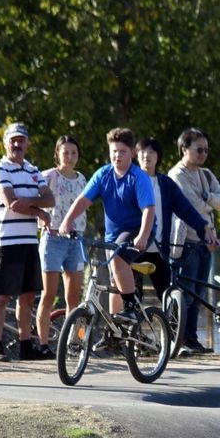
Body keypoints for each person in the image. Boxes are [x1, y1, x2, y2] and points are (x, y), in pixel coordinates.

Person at [58, 127, 154, 323]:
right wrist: (67, 221)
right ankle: (114, 332)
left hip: (138, 230)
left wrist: (143, 235)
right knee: (113, 280)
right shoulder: (103, 174)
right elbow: (83, 200)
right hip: (113, 236)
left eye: (122, 151)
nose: (117, 156)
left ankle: (130, 307)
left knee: (118, 260)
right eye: (113, 151)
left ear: (132, 154)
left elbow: (148, 210)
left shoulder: (138, 177)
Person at [0, 122, 54, 362]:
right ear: (5, 143)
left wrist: (31, 203)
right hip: (6, 242)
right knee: (3, 296)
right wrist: (39, 211)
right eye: (13, 140)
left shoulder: (33, 170)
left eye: (21, 140)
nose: (17, 144)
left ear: (27, 144)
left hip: (28, 242)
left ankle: (26, 347)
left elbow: (51, 199)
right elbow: (9, 202)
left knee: (27, 296)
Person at [167, 127, 220, 354]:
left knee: (198, 294)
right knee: (184, 293)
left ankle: (191, 339)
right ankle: (176, 339)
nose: (203, 154)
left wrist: (208, 197)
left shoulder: (207, 175)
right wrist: (209, 202)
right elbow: (192, 205)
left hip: (205, 241)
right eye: (198, 149)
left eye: (206, 150)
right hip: (186, 242)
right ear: (184, 149)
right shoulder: (177, 175)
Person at [137, 137, 218, 302]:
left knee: (170, 299)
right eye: (143, 152)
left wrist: (203, 227)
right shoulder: (130, 180)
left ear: (158, 156)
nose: (147, 156)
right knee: (132, 299)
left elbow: (185, 208)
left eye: (151, 152)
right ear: (136, 155)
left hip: (159, 250)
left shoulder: (165, 184)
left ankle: (169, 328)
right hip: (133, 249)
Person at [35, 135, 87, 357]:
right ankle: (44, 344)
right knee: (49, 294)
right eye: (65, 152)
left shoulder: (81, 178)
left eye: (73, 153)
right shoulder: (48, 176)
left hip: (76, 240)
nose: (69, 157)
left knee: (74, 297)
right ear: (57, 153)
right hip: (53, 238)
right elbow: (35, 199)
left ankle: (73, 343)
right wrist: (41, 217)